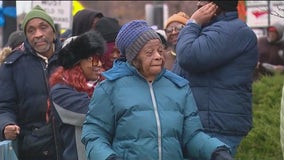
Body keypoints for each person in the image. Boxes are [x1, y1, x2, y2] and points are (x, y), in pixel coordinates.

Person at [81, 20, 233, 160]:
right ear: (133, 58)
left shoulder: (179, 88)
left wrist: (215, 151)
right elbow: (95, 134)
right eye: (149, 52)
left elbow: (192, 136)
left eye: (160, 51)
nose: (158, 57)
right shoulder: (110, 89)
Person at [172, 1, 258, 156]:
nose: (198, 4)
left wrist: (193, 23)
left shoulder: (233, 30)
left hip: (216, 128)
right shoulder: (209, 30)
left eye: (203, 0)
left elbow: (188, 56)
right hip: (201, 126)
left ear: (216, 5)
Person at [0, 5, 62, 160]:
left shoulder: (70, 59)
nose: (38, 34)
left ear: (53, 31)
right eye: (31, 30)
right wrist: (6, 125)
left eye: (43, 27)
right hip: (33, 150)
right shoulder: (13, 65)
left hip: (69, 147)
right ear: (26, 36)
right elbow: (4, 106)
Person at [49, 30, 106, 160]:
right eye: (92, 59)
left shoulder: (105, 84)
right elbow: (95, 113)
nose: (99, 64)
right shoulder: (60, 92)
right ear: (77, 63)